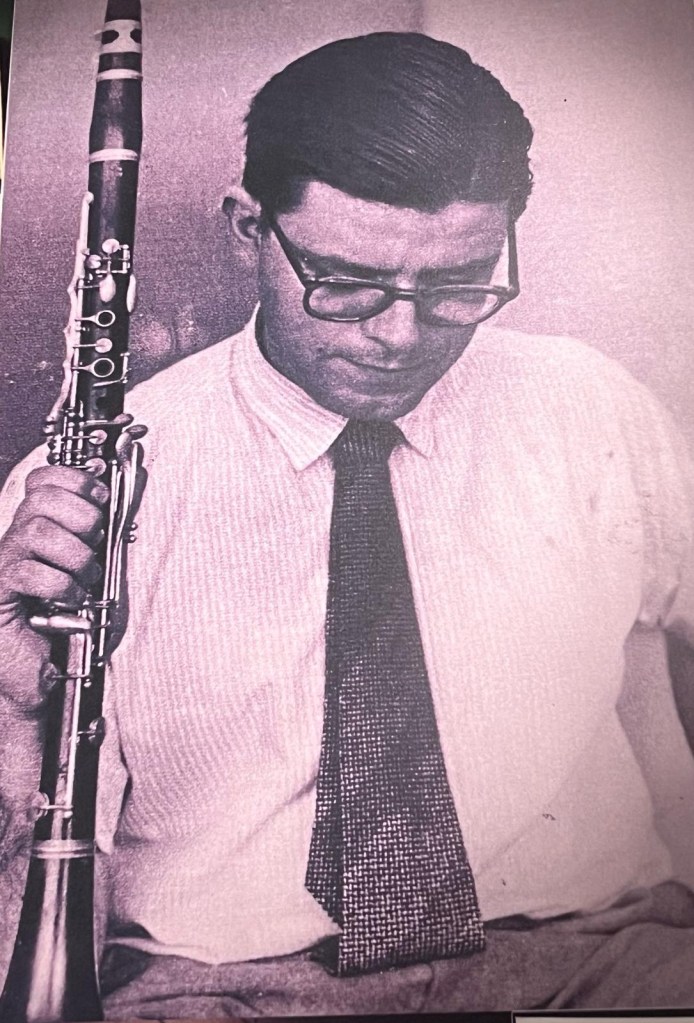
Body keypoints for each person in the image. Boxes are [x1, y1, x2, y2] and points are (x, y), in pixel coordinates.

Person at [1, 31, 694, 1017]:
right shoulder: (83, 498)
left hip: (588, 957)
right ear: (248, 227)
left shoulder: (591, 407)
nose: (398, 335)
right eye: (346, 281)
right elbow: (28, 941)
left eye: (457, 285)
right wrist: (15, 714)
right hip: (229, 991)